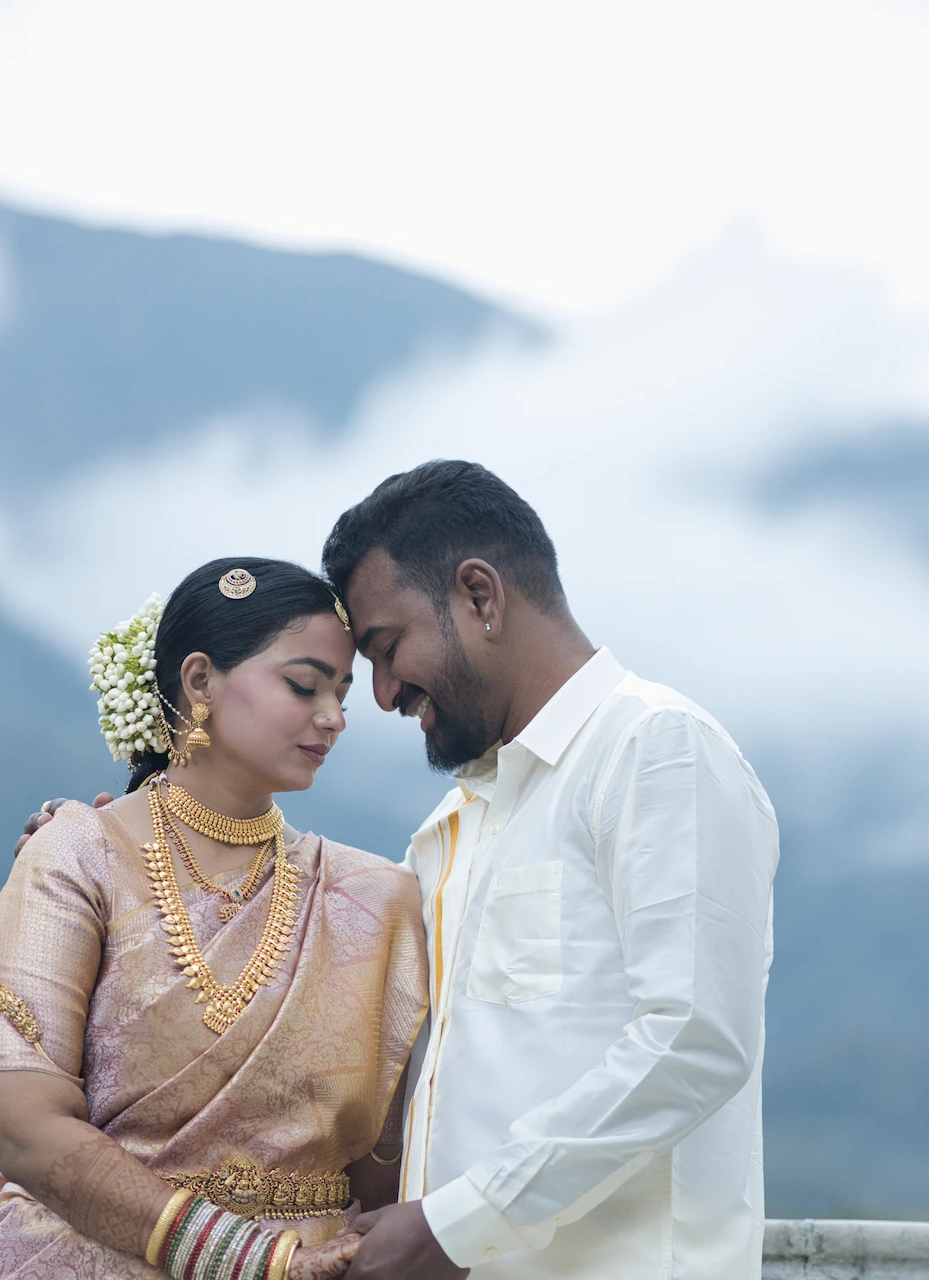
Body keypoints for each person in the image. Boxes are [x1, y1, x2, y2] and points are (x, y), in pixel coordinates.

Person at [325, 461, 778, 1280]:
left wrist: (455, 1225)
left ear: (480, 596)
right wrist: (132, 848)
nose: (384, 693)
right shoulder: (452, 829)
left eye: (387, 649)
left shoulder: (654, 749)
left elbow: (694, 1039)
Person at [0, 557, 427, 1280]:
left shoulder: (375, 898)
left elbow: (383, 1169)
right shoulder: (81, 855)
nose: (332, 717)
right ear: (200, 680)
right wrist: (259, 1260)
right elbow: (24, 1128)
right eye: (303, 686)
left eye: (341, 693)